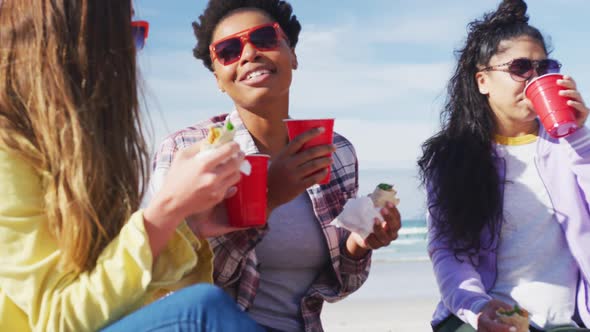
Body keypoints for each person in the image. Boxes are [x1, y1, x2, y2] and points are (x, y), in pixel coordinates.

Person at [0, 0, 265, 331]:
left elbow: (116, 298)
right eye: (125, 36)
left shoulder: (82, 155)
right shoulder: (7, 151)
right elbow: (57, 319)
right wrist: (167, 209)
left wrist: (188, 226)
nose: (132, 57)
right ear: (67, 46)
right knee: (202, 311)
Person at [149, 0, 402, 331]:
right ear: (218, 79)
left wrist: (360, 244)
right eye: (228, 50)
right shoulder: (188, 151)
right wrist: (268, 197)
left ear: (293, 55)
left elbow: (337, 286)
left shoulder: (336, 151)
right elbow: (182, 282)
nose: (249, 53)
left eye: (265, 38)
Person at [418, 0, 590, 331]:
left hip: (569, 319)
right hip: (484, 312)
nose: (534, 78)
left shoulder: (571, 147)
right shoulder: (454, 158)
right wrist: (477, 307)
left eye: (544, 67)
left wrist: (579, 136)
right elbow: (448, 251)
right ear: (482, 81)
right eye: (521, 67)